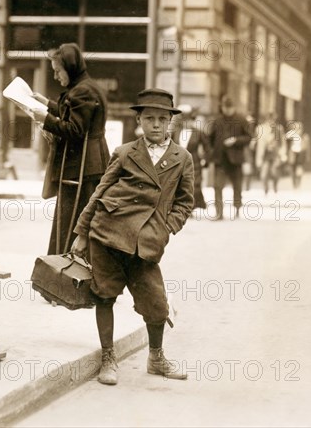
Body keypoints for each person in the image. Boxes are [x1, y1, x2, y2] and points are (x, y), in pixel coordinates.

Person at [70, 88, 194, 385]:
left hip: (147, 241)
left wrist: (166, 227)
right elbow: (100, 192)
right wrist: (82, 232)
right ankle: (108, 357)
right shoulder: (124, 152)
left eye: (161, 119)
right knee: (105, 295)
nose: (155, 124)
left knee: (156, 304)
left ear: (170, 123)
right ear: (139, 120)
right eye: (148, 118)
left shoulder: (182, 157)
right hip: (108, 233)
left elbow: (186, 201)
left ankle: (156, 357)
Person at [31, 43, 110, 256]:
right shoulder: (87, 87)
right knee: (76, 223)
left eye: (58, 71)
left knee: (71, 223)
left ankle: (66, 274)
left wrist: (45, 119)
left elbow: (75, 129)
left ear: (70, 67)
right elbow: (73, 113)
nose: (56, 76)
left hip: (82, 168)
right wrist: (47, 104)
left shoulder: (82, 91)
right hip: (90, 165)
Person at [207, 96, 252, 220]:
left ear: (234, 108)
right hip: (220, 159)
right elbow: (210, 138)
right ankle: (219, 213)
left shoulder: (242, 120)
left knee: (237, 185)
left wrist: (236, 140)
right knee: (218, 186)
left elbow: (249, 137)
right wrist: (212, 152)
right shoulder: (217, 121)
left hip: (236, 159)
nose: (227, 110)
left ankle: (237, 208)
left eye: (229, 108)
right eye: (224, 108)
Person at [171, 104, 210, 211]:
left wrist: (205, 161)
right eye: (184, 121)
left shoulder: (199, 133)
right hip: (178, 163)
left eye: (189, 120)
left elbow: (207, 147)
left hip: (195, 162)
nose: (187, 123)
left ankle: (190, 208)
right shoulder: (176, 132)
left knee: (194, 185)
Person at [255, 112, 287, 194]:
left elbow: (283, 142)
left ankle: (275, 185)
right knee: (263, 174)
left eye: (273, 119)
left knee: (274, 172)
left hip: (275, 154)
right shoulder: (261, 129)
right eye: (269, 119)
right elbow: (258, 144)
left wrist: (283, 153)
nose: (271, 121)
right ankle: (266, 188)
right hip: (265, 155)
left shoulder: (279, 129)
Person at [285, 121, 311, 189]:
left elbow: (308, 148)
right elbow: (285, 137)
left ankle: (298, 183)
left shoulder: (305, 137)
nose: (298, 130)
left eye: (299, 129)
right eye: (296, 128)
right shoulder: (292, 136)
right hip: (293, 154)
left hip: (301, 155)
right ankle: (294, 184)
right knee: (292, 170)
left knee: (299, 170)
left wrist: (308, 157)